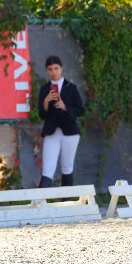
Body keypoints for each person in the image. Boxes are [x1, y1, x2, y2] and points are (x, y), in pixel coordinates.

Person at [37, 55, 84, 187]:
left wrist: (65, 107)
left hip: (70, 131)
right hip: (52, 131)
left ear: (62, 68)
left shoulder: (71, 87)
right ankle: (40, 203)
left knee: (67, 166)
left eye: (56, 68)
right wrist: (46, 101)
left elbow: (80, 110)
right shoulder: (45, 89)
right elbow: (42, 114)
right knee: (47, 168)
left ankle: (66, 202)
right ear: (47, 70)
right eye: (50, 69)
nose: (54, 72)